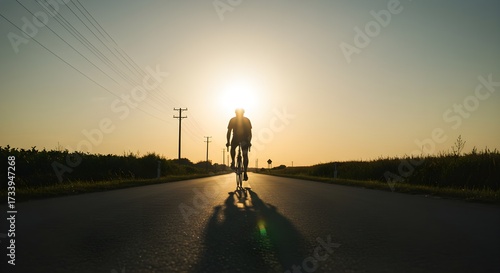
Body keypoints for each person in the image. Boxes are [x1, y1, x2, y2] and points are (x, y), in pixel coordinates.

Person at [226, 108, 252, 181]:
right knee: (244, 155)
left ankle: (237, 165)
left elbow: (229, 132)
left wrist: (228, 142)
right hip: (241, 139)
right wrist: (228, 141)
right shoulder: (245, 120)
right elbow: (229, 132)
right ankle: (234, 162)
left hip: (241, 139)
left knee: (243, 154)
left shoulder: (236, 120)